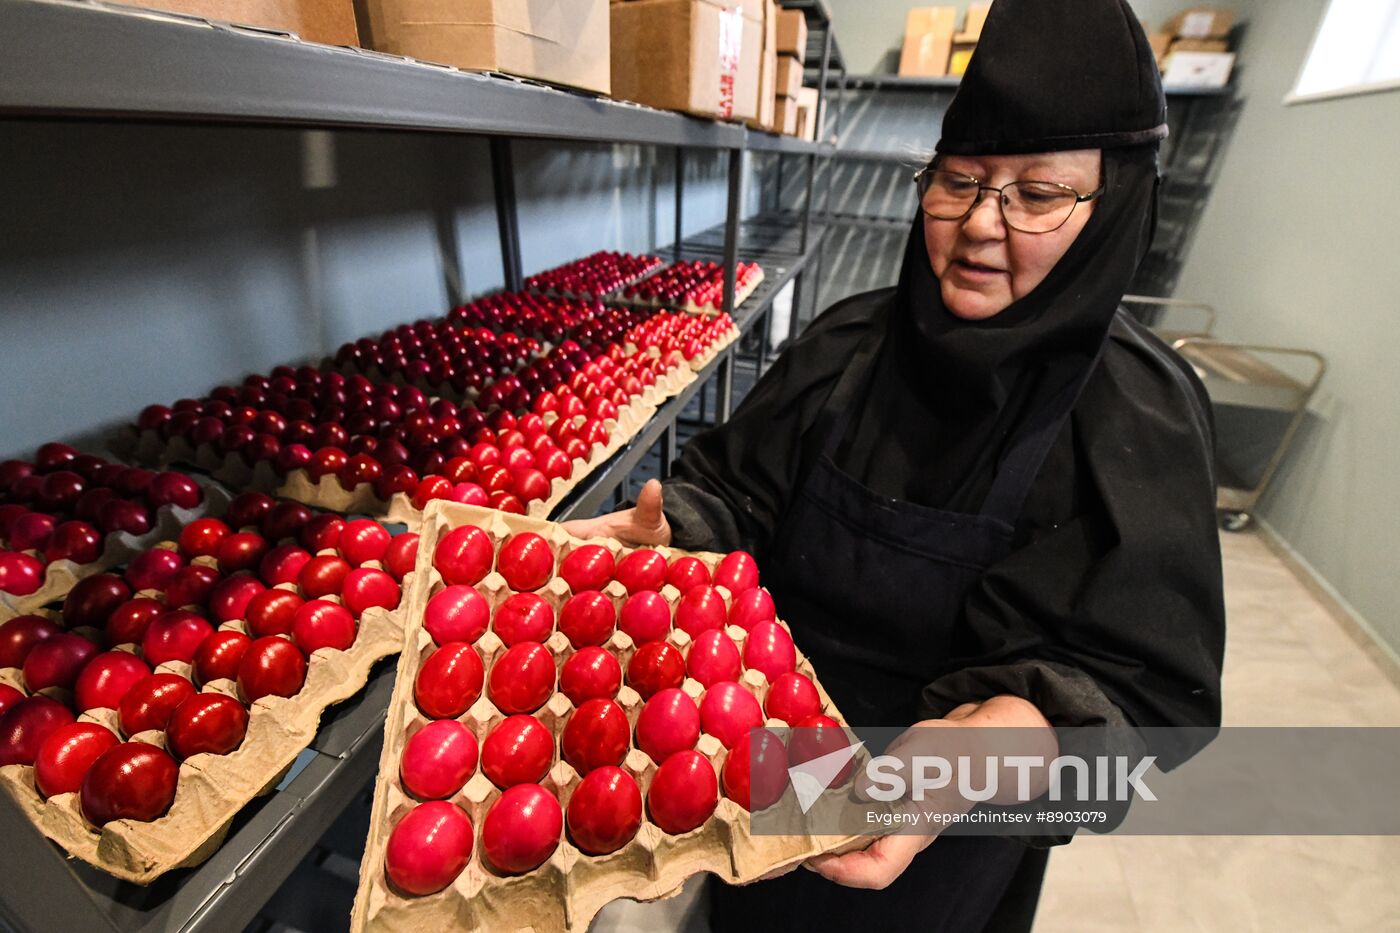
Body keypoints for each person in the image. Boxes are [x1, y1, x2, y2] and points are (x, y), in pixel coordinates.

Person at [564, 0, 1226, 929]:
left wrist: (1004, 737)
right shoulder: (848, 344)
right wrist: (682, 531)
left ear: (1113, 210)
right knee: (760, 913)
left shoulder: (1136, 416)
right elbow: (739, 491)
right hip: (781, 758)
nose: (980, 224)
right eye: (959, 180)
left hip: (956, 811)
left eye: (1037, 195)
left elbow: (1151, 698)